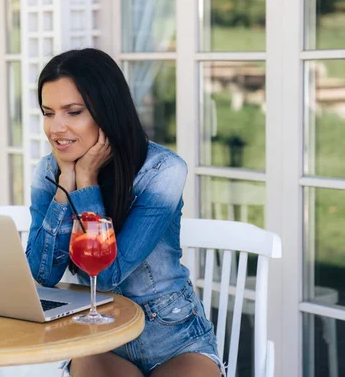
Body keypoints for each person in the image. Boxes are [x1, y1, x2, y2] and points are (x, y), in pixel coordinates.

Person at [25, 48, 224, 377]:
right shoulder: (51, 171)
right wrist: (66, 184)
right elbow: (43, 275)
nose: (56, 127)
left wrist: (87, 180)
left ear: (106, 112)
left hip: (172, 336)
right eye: (48, 113)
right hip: (100, 334)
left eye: (73, 112)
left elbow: (106, 275)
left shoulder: (163, 170)